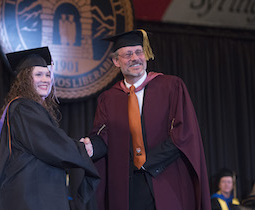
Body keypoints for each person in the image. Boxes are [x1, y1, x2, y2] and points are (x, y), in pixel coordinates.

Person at [80, 29, 211, 210]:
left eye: (139, 52)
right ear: (116, 61)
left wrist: (147, 163)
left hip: (166, 176)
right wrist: (91, 147)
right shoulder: (108, 98)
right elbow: (103, 136)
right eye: (128, 54)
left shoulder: (171, 86)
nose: (135, 58)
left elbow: (183, 132)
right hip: (128, 186)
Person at [0, 46, 99, 210]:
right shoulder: (23, 108)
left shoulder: (25, 108)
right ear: (25, 79)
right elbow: (51, 144)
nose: (45, 79)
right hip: (31, 196)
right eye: (38, 75)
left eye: (47, 75)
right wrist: (81, 149)